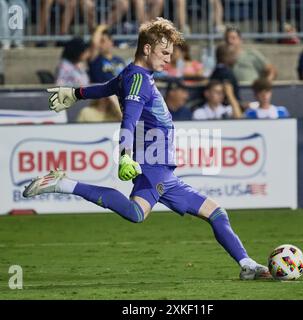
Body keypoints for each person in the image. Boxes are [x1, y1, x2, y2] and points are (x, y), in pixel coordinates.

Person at [23, 18, 270, 280]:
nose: (168, 59)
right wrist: (124, 155)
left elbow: (107, 88)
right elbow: (128, 120)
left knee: (188, 213)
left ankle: (246, 264)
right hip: (155, 168)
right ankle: (63, 184)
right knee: (175, 213)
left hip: (159, 168)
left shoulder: (133, 74)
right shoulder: (138, 80)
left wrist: (76, 93)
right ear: (147, 49)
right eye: (164, 53)